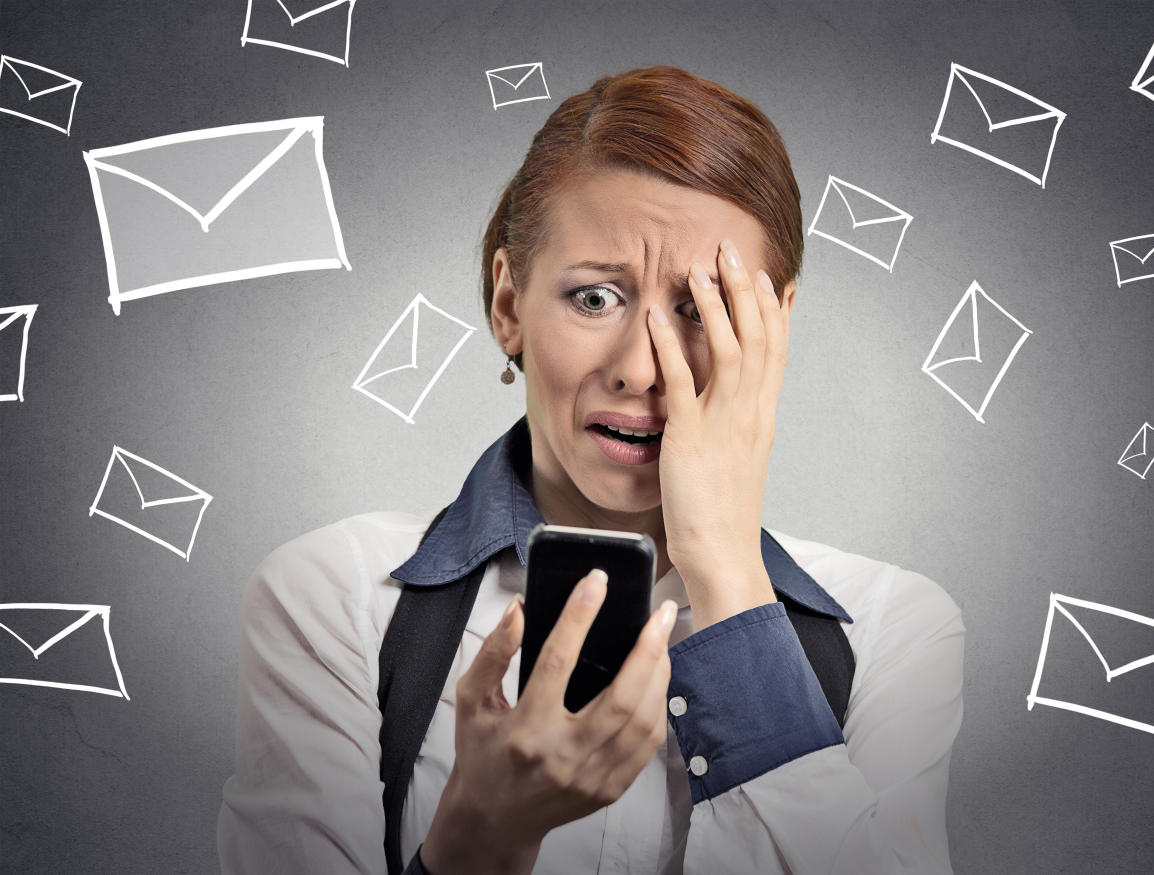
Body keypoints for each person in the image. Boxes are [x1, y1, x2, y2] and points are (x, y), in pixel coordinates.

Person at [217, 65, 965, 874]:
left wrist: (725, 575)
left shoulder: (893, 630)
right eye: (594, 299)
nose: (642, 371)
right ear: (509, 304)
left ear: (775, 326)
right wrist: (483, 835)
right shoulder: (337, 598)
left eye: (701, 305)